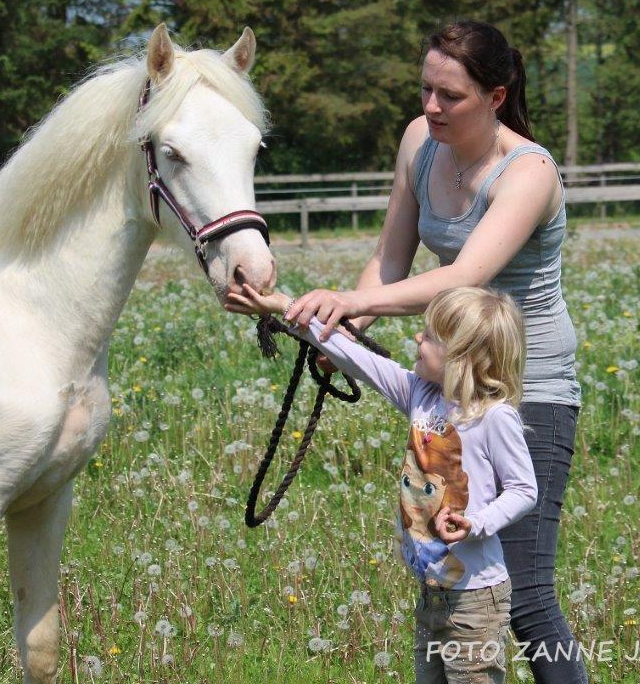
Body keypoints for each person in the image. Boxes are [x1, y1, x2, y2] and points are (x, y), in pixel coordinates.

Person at [280, 21, 586, 683]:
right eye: (425, 88)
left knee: (525, 594)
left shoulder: (527, 171)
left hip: (526, 384)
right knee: (450, 574)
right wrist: (346, 334)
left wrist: (350, 306)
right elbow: (389, 259)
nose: (429, 106)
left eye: (449, 95)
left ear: (495, 97)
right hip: (451, 377)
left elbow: (461, 274)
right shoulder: (420, 143)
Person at [227, 284, 538, 683]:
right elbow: (353, 356)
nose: (416, 337)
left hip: (476, 598)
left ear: (463, 356)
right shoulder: (419, 394)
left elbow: (524, 489)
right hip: (433, 592)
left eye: (428, 336)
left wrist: (476, 523)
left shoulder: (494, 417)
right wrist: (282, 306)